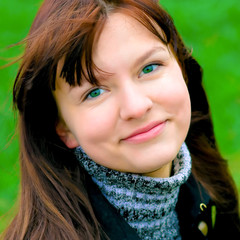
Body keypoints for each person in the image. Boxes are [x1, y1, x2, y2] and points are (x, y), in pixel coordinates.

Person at [2, 0, 240, 239]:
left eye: (149, 68)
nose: (136, 107)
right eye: (94, 92)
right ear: (62, 127)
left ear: (181, 68)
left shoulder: (212, 196)